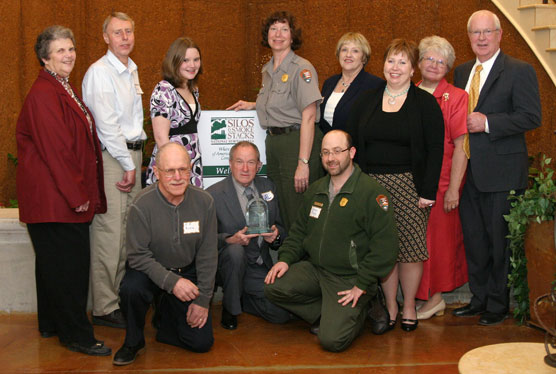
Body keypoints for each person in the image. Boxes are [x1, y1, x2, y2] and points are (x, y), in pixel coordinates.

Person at [16, 25, 110, 356]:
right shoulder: (44, 94)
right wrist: (78, 197)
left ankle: (52, 324)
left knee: (52, 266)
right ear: (45, 58)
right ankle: (78, 336)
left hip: (54, 200)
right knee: (70, 269)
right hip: (58, 201)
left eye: (70, 48)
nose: (68, 55)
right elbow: (58, 152)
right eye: (60, 51)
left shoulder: (60, 87)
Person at [264, 130, 399, 352]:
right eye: (325, 152)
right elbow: (298, 232)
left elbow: (386, 247)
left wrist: (362, 284)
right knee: (273, 287)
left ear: (352, 152)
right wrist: (285, 260)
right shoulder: (316, 190)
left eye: (338, 151)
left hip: (349, 279)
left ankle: (364, 305)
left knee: (332, 341)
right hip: (316, 270)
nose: (331, 158)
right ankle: (331, 313)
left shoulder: (371, 193)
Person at [346, 39, 444, 332]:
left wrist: (428, 192)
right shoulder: (366, 99)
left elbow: (435, 150)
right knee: (382, 249)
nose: (395, 67)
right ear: (383, 64)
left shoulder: (425, 103)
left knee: (410, 250)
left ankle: (409, 304)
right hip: (371, 187)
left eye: (403, 62)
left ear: (413, 69)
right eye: (391, 61)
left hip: (411, 188)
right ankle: (390, 305)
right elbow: (352, 143)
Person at [452, 10, 541, 326]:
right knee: (475, 240)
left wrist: (488, 122)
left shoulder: (520, 70)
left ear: (500, 34)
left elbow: (532, 117)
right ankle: (478, 299)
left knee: (499, 241)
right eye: (475, 33)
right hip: (468, 173)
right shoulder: (461, 72)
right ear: (469, 37)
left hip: (502, 173)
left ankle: (498, 304)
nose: (481, 38)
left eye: (487, 32)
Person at [113, 142, 217, 366]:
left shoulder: (205, 202)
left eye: (183, 169)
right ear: (157, 173)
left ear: (191, 170)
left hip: (188, 272)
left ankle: (164, 313)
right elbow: (137, 256)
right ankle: (133, 341)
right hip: (150, 272)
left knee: (201, 343)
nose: (178, 177)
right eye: (170, 171)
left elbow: (208, 255)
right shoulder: (141, 205)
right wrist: (171, 282)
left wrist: (203, 300)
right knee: (132, 288)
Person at [227, 11, 323, 231]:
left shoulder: (302, 68)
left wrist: (303, 162)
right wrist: (253, 105)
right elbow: (279, 103)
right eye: (273, 29)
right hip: (274, 145)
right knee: (279, 205)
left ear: (292, 36)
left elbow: (308, 116)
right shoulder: (268, 69)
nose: (278, 34)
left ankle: (304, 263)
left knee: (298, 208)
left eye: (284, 29)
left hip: (296, 143)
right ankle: (285, 258)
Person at [82, 11, 146, 329]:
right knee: (109, 232)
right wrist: (126, 164)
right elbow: (106, 126)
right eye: (117, 32)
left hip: (131, 157)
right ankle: (105, 307)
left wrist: (135, 162)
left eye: (129, 31)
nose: (124, 37)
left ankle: (118, 298)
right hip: (113, 160)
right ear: (105, 37)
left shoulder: (130, 70)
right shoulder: (100, 73)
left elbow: (132, 124)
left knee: (126, 232)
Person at [207, 141, 290, 330]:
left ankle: (240, 297)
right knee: (236, 251)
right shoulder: (213, 195)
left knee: (281, 314)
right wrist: (229, 239)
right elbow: (205, 241)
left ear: (258, 165)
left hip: (260, 266)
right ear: (230, 164)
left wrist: (275, 236)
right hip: (229, 266)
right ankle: (230, 308)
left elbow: (283, 229)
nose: (245, 168)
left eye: (251, 162)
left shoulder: (268, 187)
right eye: (239, 162)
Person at [414, 36, 469, 320]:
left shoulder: (457, 97)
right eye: (429, 59)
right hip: (409, 183)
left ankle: (435, 299)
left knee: (438, 244)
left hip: (442, 183)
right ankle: (415, 296)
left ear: (448, 65)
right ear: (419, 63)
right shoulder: (407, 92)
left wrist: (454, 190)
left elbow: (461, 145)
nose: (434, 65)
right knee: (413, 241)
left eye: (441, 60)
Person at [145, 37, 203, 187]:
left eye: (196, 60)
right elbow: (160, 137)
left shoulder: (193, 90)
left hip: (192, 163)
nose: (192, 65)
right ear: (175, 61)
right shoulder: (163, 90)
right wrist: (175, 168)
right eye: (186, 60)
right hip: (173, 168)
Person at [319, 32, 383, 135]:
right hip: (328, 147)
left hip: (357, 148)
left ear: (364, 57)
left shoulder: (375, 85)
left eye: (355, 51)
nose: (348, 55)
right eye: (344, 50)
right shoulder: (329, 83)